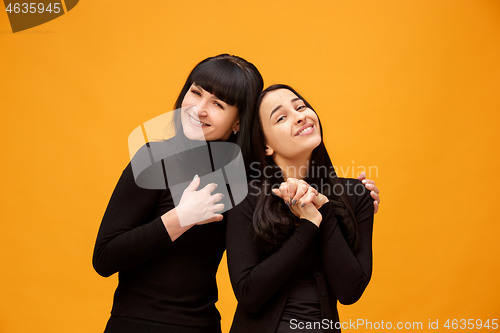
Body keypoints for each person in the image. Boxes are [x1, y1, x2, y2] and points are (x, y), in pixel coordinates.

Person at [93, 55, 380, 333]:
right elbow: (104, 258)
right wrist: (180, 218)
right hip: (136, 323)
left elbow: (287, 210)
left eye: (217, 103)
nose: (199, 109)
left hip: (202, 325)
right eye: (196, 93)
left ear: (238, 123)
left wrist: (352, 203)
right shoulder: (155, 159)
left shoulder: (244, 180)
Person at [227, 84, 375, 332]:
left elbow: (350, 290)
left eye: (301, 107)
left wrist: (324, 210)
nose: (299, 116)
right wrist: (307, 225)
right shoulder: (247, 196)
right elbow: (249, 294)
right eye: (281, 117)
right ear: (265, 146)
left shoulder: (356, 193)